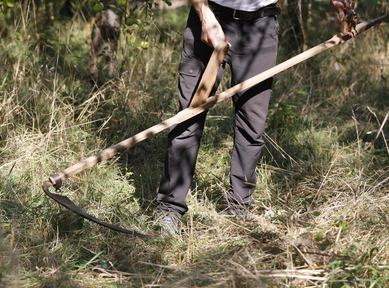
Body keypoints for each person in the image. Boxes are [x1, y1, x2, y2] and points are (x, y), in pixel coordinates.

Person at [151, 0, 356, 237]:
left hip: (261, 26)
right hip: (210, 19)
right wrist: (205, 16)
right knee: (188, 120)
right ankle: (170, 208)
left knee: (252, 124)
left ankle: (239, 206)